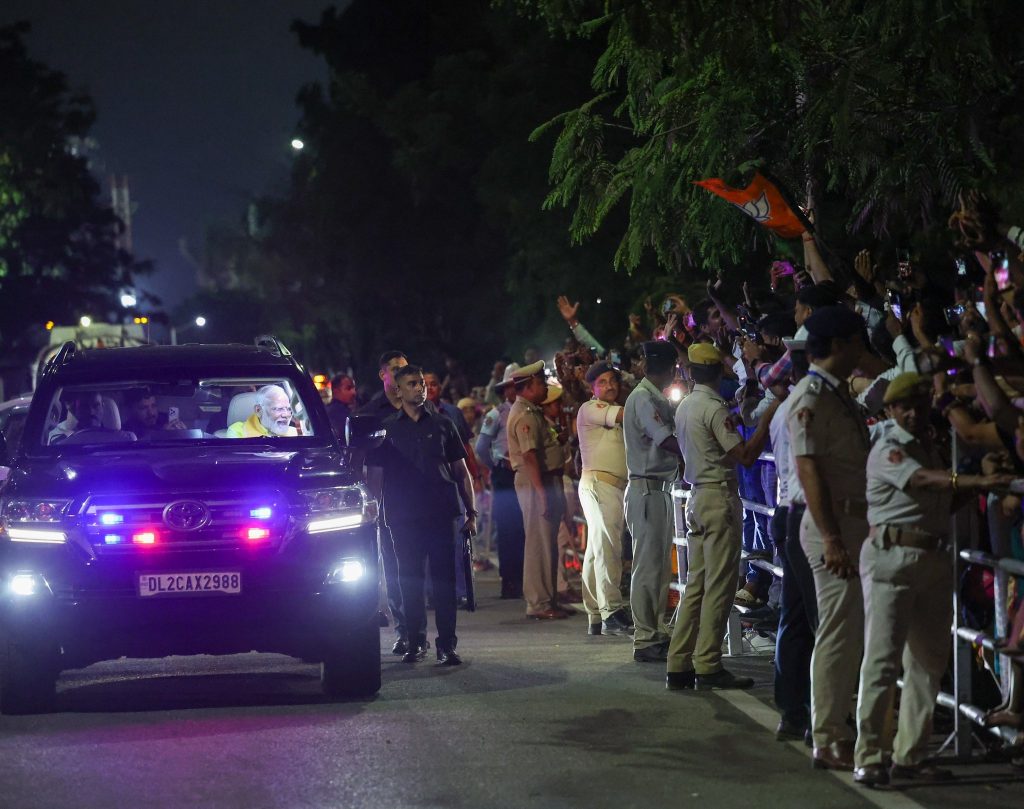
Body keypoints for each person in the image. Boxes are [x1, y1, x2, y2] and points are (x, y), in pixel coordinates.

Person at [853, 372, 1010, 787]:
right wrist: (976, 480)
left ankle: (910, 755)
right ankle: (869, 755)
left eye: (921, 406)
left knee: (927, 663)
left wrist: (976, 477)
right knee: (883, 661)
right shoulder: (888, 445)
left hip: (930, 557)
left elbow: (943, 496)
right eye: (906, 406)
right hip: (892, 556)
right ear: (889, 409)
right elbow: (922, 480)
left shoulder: (928, 446)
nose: (914, 413)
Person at [665, 342, 780, 691]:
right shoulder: (714, 408)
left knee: (696, 587)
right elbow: (744, 455)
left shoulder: (686, 405)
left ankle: (679, 662)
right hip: (718, 496)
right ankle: (709, 664)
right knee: (719, 586)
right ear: (720, 371)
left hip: (697, 497)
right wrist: (767, 420)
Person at [788, 305, 870, 771]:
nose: (862, 349)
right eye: (857, 341)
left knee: (848, 633)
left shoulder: (834, 392)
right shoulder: (813, 396)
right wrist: (832, 537)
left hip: (847, 524)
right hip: (831, 527)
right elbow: (809, 467)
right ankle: (829, 736)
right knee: (838, 635)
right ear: (838, 345)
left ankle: (837, 729)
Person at [368, 365, 477, 666]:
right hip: (402, 516)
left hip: (442, 512)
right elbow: (375, 477)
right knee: (410, 582)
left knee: (444, 582)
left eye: (422, 384)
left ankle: (447, 646)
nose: (420, 388)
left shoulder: (443, 424)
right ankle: (416, 642)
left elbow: (460, 471)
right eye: (412, 384)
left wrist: (471, 510)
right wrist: (373, 514)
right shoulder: (386, 429)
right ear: (398, 390)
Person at [623, 341, 682, 663]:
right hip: (647, 489)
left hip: (656, 489)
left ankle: (654, 631)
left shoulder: (652, 396)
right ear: (672, 369)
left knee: (657, 568)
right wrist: (698, 452)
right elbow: (666, 440)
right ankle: (645, 637)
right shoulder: (644, 398)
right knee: (648, 568)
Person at [507, 361, 569, 620]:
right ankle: (539, 602)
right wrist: (542, 494)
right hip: (536, 482)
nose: (545, 387)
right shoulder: (525, 415)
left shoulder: (531, 411)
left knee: (547, 542)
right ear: (529, 387)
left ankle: (549, 599)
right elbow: (530, 457)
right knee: (539, 543)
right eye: (541, 383)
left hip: (543, 480)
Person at [359, 351, 411, 655]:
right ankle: (405, 632)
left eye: (405, 369)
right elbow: (359, 463)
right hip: (384, 501)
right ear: (383, 375)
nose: (402, 375)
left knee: (413, 569)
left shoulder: (417, 408)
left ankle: (415, 631)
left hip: (415, 499)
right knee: (393, 569)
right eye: (395, 370)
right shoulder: (370, 413)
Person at [577, 360, 633, 637]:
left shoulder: (607, 408)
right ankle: (612, 611)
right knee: (609, 547)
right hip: (601, 485)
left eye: (613, 381)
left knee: (596, 550)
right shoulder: (592, 408)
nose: (610, 386)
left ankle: (595, 613)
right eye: (603, 382)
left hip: (607, 487)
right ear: (592, 388)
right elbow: (626, 415)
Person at [475, 364, 527, 599]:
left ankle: (526, 579)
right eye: (511, 387)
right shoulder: (496, 415)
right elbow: (481, 447)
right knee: (508, 530)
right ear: (505, 390)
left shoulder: (529, 411)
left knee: (527, 529)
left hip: (524, 472)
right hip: (506, 475)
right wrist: (495, 464)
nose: (515, 391)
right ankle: (509, 581)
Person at [225, 385, 298, 437]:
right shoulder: (238, 431)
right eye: (278, 409)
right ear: (258, 410)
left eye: (289, 409)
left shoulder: (295, 433)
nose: (286, 415)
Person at [122, 388, 187, 438]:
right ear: (131, 410)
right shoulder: (127, 431)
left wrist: (184, 433)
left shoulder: (166, 419)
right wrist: (162, 434)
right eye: (143, 408)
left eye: (153, 406)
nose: (151, 413)